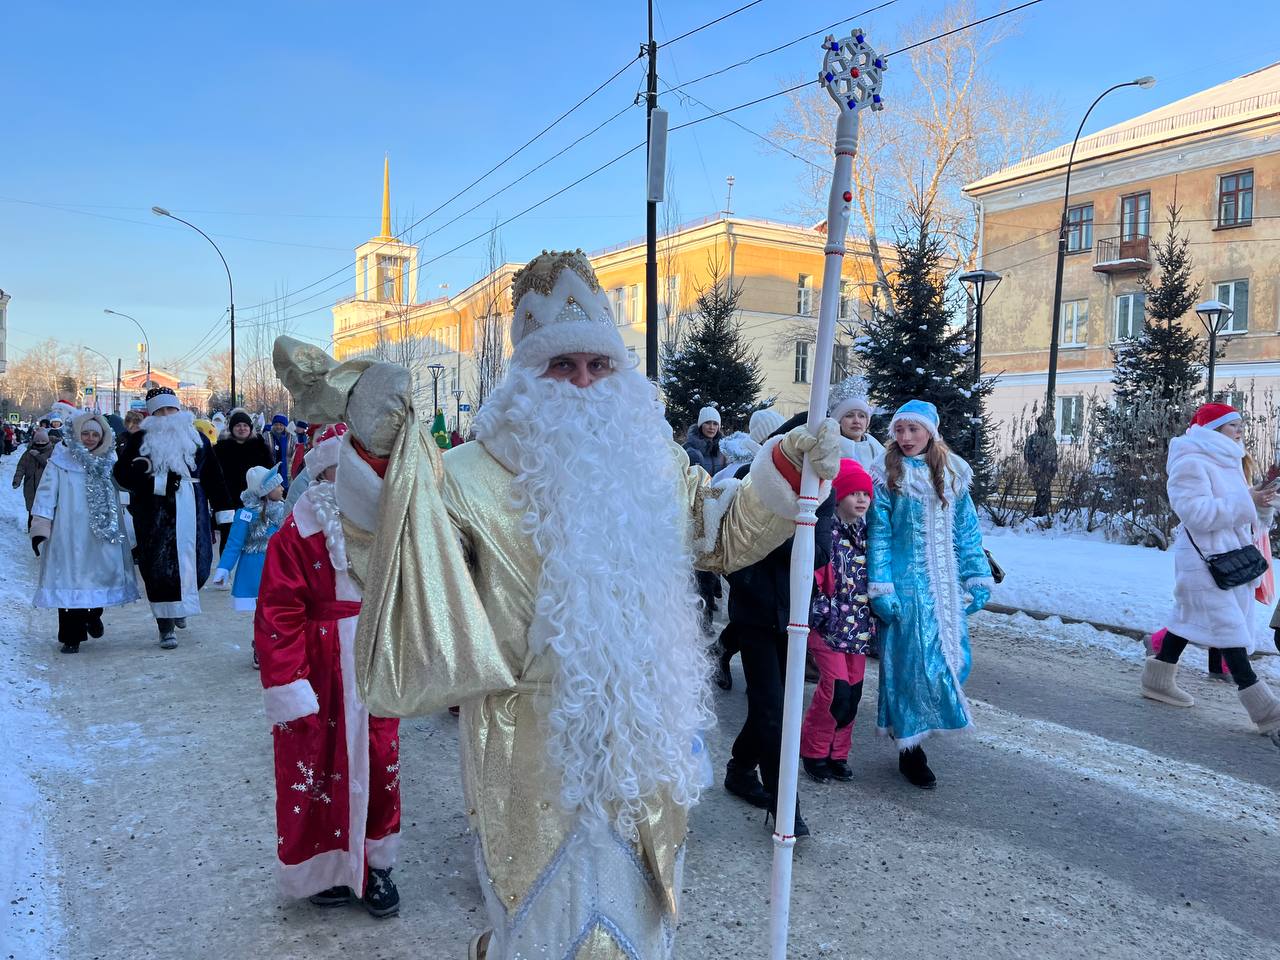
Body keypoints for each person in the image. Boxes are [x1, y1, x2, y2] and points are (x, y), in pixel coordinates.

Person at [271, 249, 842, 960]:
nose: (582, 382)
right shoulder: (467, 477)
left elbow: (719, 532)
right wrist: (379, 455)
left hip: (645, 745)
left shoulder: (655, 461)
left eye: (598, 367)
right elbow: (395, 557)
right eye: (561, 366)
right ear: (525, 376)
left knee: (640, 931)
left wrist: (785, 469)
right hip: (530, 750)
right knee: (547, 936)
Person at [253, 423, 402, 917]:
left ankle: (377, 864)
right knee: (316, 765)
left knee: (379, 760)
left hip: (373, 658)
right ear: (321, 476)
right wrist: (289, 682)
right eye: (340, 474)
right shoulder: (295, 535)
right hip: (318, 669)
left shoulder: (387, 527)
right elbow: (278, 610)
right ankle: (325, 865)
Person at [868, 400, 993, 789]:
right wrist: (881, 587)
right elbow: (880, 536)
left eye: (913, 430)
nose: (905, 438)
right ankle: (910, 750)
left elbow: (968, 532)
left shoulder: (954, 474)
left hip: (945, 589)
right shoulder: (887, 475)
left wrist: (976, 576)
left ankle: (923, 724)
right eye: (899, 430)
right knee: (909, 667)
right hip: (905, 588)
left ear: (930, 432)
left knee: (952, 663)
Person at [1141, 403, 1280, 745]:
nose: (1241, 431)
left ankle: (1157, 680)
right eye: (1234, 425)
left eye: (1241, 425)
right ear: (1215, 428)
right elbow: (1196, 514)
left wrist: (1261, 505)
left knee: (1188, 620)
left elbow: (1247, 518)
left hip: (1231, 557)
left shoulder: (1230, 460)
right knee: (1229, 629)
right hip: (1203, 561)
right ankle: (1267, 713)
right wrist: (1247, 499)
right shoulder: (1191, 461)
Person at [113, 387, 234, 649]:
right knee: (159, 571)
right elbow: (122, 475)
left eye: (171, 410)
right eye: (160, 411)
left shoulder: (198, 439)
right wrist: (154, 482)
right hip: (155, 516)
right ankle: (165, 626)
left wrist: (224, 512)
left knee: (199, 566)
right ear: (152, 414)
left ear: (179, 411)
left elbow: (214, 476)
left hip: (194, 511)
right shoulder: (140, 440)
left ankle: (181, 607)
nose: (167, 416)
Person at [30, 413, 138, 653]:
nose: (89, 439)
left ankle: (93, 614)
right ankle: (71, 636)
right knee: (69, 579)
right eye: (85, 433)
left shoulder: (110, 460)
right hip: (68, 532)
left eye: (95, 435)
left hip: (102, 532)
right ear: (77, 434)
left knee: (102, 575)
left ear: (102, 437)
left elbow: (122, 493)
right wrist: (40, 525)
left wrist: (131, 526)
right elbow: (46, 493)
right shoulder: (60, 461)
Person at [801, 459, 875, 784]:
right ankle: (813, 751)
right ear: (838, 495)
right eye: (853, 493)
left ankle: (837, 753)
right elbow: (813, 574)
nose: (861, 500)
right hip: (827, 626)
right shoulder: (824, 531)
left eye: (866, 494)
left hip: (857, 629)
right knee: (835, 690)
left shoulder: (869, 534)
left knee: (853, 693)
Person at [211, 465, 286, 614]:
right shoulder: (246, 515)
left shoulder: (283, 512)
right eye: (278, 485)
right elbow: (234, 544)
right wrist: (224, 568)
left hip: (278, 569)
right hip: (253, 572)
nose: (282, 488)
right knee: (261, 612)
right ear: (266, 490)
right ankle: (260, 637)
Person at [213, 408, 275, 549]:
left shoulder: (260, 448)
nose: (242, 428)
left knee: (254, 540)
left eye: (245, 425)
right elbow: (214, 476)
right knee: (228, 539)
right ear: (232, 428)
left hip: (255, 502)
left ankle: (250, 570)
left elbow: (270, 475)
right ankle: (225, 570)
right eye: (238, 425)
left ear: (250, 428)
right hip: (227, 502)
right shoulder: (221, 449)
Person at [828, 375, 884, 468]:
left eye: (862, 416)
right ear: (839, 420)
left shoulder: (877, 450)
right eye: (849, 416)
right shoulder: (828, 448)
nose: (856, 421)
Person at [12, 427, 54, 529]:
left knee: (44, 511)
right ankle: (31, 530)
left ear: (47, 441)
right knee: (32, 510)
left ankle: (44, 531)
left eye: (43, 441)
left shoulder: (52, 452)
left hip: (46, 487)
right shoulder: (28, 453)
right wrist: (17, 480)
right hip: (30, 487)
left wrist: (38, 456)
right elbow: (21, 467)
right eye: (38, 441)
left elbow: (50, 466)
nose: (40, 443)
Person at [268, 414, 294, 491]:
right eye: (276, 424)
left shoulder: (291, 438)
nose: (278, 427)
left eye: (281, 425)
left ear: (285, 426)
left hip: (286, 471)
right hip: (271, 471)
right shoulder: (267, 436)